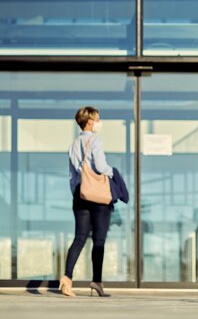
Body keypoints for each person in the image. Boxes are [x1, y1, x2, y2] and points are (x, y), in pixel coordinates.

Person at [59, 106, 114, 298]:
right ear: (90, 121)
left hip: (80, 195)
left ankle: (67, 279)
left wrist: (78, 192)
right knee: (98, 240)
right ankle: (96, 282)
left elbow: (72, 177)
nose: (99, 122)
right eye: (98, 119)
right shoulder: (95, 141)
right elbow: (100, 166)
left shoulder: (73, 144)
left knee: (79, 238)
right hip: (98, 197)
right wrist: (112, 172)